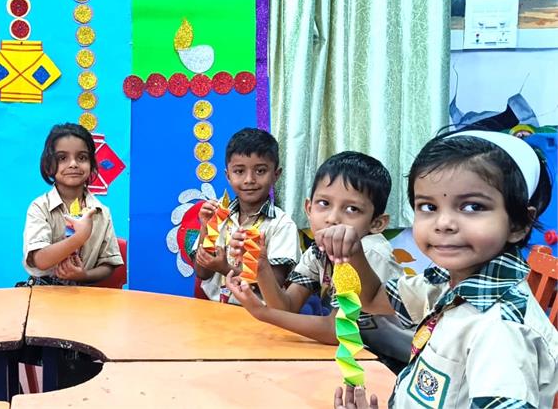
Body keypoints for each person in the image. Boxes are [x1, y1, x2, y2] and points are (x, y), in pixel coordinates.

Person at [323, 131, 558, 407]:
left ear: (519, 224)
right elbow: (373, 298)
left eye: (472, 206)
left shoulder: (501, 330)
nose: (443, 223)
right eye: (428, 206)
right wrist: (353, 252)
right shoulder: (446, 284)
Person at [227, 151, 412, 366]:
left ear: (377, 223)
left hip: (401, 362)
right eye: (324, 203)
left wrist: (263, 313)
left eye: (352, 209)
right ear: (309, 208)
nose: (332, 218)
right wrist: (261, 266)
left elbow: (338, 331)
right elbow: (287, 308)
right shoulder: (318, 251)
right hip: (361, 355)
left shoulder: (370, 253)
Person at [191, 128, 300, 304]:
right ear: (228, 176)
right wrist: (205, 228)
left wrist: (226, 268)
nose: (249, 179)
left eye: (260, 171)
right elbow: (202, 272)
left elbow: (274, 285)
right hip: (216, 311)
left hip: (261, 315)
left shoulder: (281, 225)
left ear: (276, 175)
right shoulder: (219, 216)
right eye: (239, 171)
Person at [23, 123, 123, 285]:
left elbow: (109, 263)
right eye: (62, 158)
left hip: (83, 293)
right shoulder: (40, 207)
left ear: (92, 165)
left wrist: (84, 276)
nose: (73, 164)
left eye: (82, 157)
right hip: (44, 293)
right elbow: (40, 260)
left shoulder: (102, 212)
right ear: (48, 166)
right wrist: (79, 237)